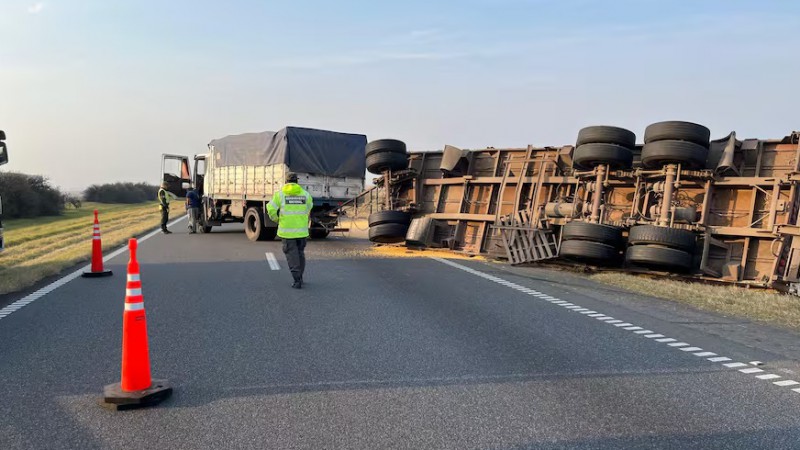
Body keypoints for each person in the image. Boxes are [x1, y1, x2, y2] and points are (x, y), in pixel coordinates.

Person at [267, 172, 313, 289]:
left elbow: (270, 208)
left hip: (287, 232)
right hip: (302, 232)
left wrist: (277, 219)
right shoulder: (306, 194)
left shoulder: (280, 195)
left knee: (292, 256)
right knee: (300, 254)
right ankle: (300, 277)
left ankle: (297, 280)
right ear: (297, 181)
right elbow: (309, 207)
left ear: (286, 182)